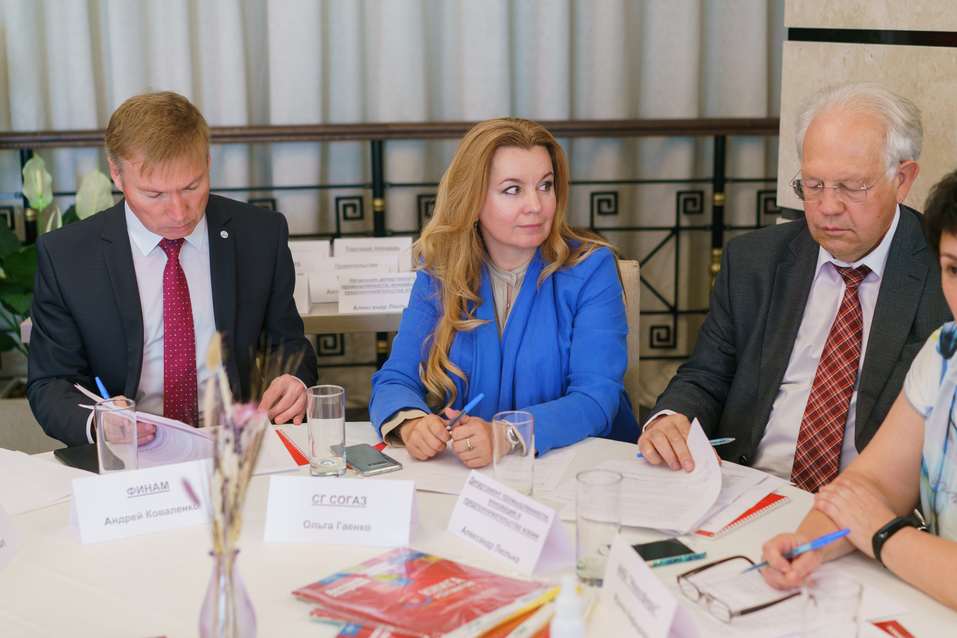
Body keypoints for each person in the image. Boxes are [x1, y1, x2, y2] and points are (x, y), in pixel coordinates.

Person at [637, 83, 950, 491]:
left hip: (870, 503)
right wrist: (672, 418)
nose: (828, 207)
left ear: (902, 179)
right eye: (814, 185)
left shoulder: (942, 272)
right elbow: (707, 374)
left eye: (851, 187)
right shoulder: (754, 261)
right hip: (747, 486)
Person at [27, 91, 317, 447]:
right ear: (116, 174)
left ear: (208, 161)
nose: (180, 213)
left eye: (191, 187)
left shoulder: (259, 234)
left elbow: (287, 342)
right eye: (155, 195)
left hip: (233, 444)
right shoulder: (68, 256)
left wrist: (294, 380)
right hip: (128, 449)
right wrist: (99, 422)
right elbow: (51, 382)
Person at [369, 117, 638, 467]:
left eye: (545, 185)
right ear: (473, 198)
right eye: (513, 189)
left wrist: (506, 435)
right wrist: (412, 423)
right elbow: (395, 379)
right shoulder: (441, 271)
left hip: (583, 471)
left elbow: (596, 398)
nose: (536, 205)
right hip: (471, 476)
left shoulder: (592, 268)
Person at [760, 169, 957, 610]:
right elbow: (875, 482)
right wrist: (811, 541)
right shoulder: (944, 352)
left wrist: (883, 534)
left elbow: (874, 518)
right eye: (953, 269)